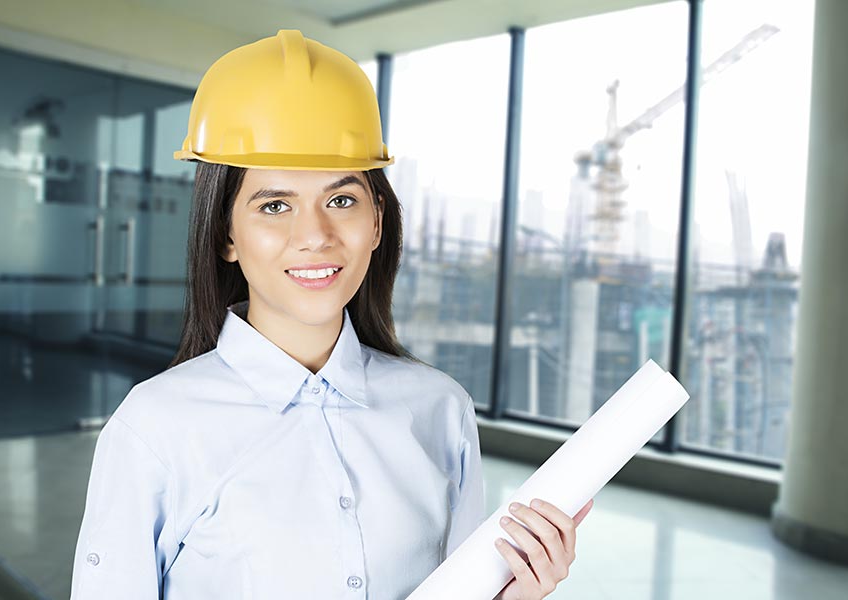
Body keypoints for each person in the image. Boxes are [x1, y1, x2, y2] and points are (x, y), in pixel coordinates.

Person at [70, 29, 593, 600]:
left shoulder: (441, 410)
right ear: (226, 233)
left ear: (376, 222)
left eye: (341, 200)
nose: (314, 236)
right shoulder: (154, 428)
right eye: (274, 205)